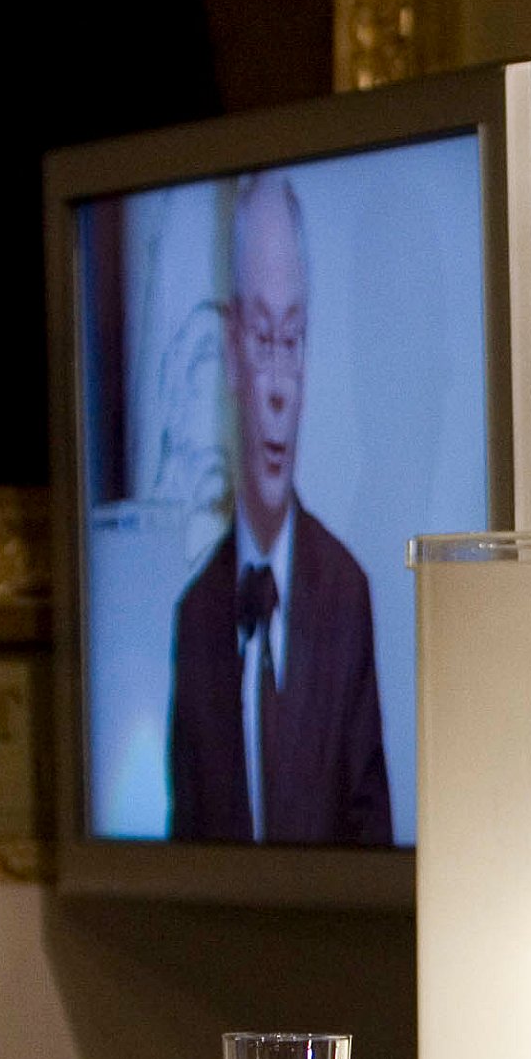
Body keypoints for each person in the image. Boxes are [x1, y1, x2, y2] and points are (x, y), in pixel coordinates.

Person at [168, 172, 392, 844]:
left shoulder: (346, 592)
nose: (276, 390)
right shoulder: (196, 616)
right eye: (262, 340)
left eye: (292, 341)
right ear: (233, 350)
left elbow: (372, 836)